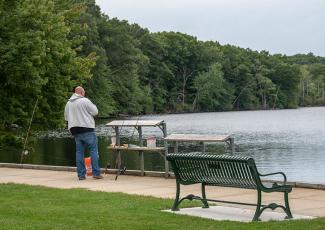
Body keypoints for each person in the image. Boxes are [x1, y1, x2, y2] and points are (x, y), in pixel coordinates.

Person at [64, 86, 103, 180]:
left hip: (74, 130)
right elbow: (95, 112)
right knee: (93, 150)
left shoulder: (68, 103)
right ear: (81, 92)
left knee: (79, 152)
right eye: (84, 93)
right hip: (87, 128)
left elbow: (66, 118)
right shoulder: (85, 100)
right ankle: (96, 173)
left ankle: (81, 175)